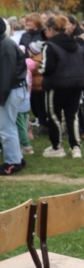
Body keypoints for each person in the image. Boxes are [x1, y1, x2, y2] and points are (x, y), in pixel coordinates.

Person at [40, 15, 84, 159]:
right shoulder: (76, 44)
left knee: (54, 116)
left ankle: (57, 147)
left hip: (57, 85)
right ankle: (76, 148)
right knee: (72, 116)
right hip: (76, 84)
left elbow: (47, 68)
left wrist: (38, 68)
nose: (45, 32)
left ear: (52, 30)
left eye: (46, 29)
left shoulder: (50, 45)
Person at [0, 17, 28, 175]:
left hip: (10, 90)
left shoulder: (5, 46)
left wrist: (1, 97)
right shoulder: (5, 42)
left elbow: (6, 75)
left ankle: (12, 162)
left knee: (6, 128)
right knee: (9, 126)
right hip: (13, 89)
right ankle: (18, 158)